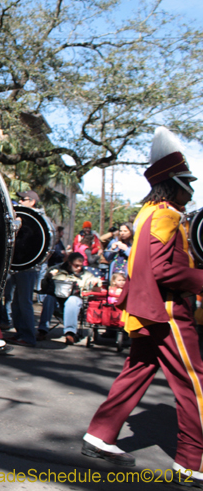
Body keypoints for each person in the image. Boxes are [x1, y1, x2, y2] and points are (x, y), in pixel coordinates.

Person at [82, 127, 203, 485]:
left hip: (149, 308)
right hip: (167, 309)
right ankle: (192, 462)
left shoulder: (150, 213)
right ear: (173, 184)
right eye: (187, 183)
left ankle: (101, 434)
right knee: (194, 381)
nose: (192, 190)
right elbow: (163, 269)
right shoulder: (165, 214)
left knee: (137, 371)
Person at [37, 252, 101, 344]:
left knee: (72, 301)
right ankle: (42, 330)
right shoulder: (56, 270)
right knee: (49, 298)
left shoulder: (86, 274)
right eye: (76, 265)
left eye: (81, 266)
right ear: (69, 263)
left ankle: (70, 333)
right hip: (57, 299)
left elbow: (95, 284)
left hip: (74, 299)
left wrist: (96, 282)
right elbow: (44, 287)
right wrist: (48, 278)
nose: (79, 268)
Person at [5, 190, 42, 347]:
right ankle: (20, 332)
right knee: (15, 302)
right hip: (18, 264)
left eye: (23, 200)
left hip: (28, 266)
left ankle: (28, 336)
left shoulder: (34, 218)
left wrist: (18, 221)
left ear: (32, 202)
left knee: (24, 302)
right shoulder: (24, 216)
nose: (20, 202)